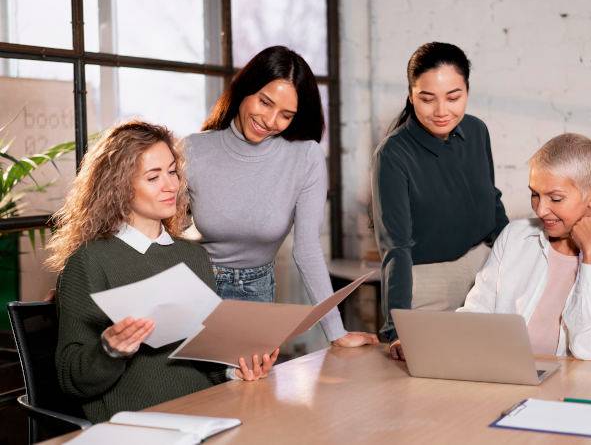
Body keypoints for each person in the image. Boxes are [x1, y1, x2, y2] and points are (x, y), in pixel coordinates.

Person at [47, 121, 277, 423]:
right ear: (118, 186)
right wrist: (109, 350)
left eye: (172, 172)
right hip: (141, 423)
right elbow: (71, 379)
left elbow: (205, 355)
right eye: (153, 177)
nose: (171, 185)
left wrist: (235, 369)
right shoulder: (90, 261)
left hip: (210, 410)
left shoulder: (193, 255)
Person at [185, 46, 377, 348]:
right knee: (188, 393)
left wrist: (336, 332)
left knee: (248, 392)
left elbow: (307, 250)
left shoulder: (305, 156)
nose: (271, 120)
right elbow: (161, 235)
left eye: (286, 115)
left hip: (255, 294)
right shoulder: (193, 149)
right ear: (245, 89)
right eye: (265, 102)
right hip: (194, 289)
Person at [456, 133, 591, 360]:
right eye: (535, 195)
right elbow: (475, 315)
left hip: (582, 384)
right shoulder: (515, 236)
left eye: (556, 198)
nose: (540, 210)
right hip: (508, 374)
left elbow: (590, 350)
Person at [371, 42, 508, 356]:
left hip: (483, 272)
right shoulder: (393, 154)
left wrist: (515, 261)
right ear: (411, 95)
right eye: (427, 98)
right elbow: (395, 247)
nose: (442, 111)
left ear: (467, 92)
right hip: (426, 283)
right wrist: (396, 329)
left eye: (453, 97)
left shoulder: (476, 131)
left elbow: (492, 201)